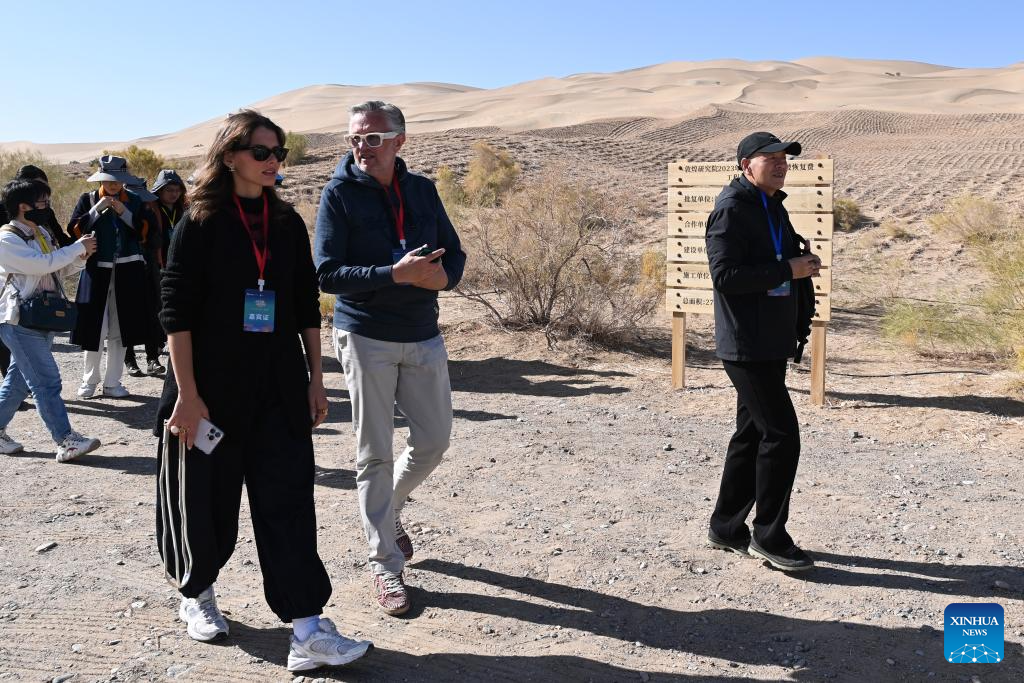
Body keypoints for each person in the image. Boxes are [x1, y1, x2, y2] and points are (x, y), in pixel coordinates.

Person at [155, 109, 371, 671]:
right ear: (230, 157)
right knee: (207, 502)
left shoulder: (287, 223)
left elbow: (304, 304)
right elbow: (175, 311)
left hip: (277, 387)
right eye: (262, 152)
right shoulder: (199, 222)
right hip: (209, 389)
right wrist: (187, 395)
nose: (274, 162)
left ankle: (307, 628)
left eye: (279, 153)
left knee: (289, 502)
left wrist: (315, 381)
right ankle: (195, 591)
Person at [315, 101, 466, 616]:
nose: (362, 147)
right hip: (365, 337)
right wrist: (392, 275)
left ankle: (388, 508)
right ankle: (384, 563)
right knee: (373, 453)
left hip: (423, 332)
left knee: (434, 440)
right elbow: (327, 274)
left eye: (373, 138)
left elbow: (454, 252)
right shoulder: (337, 194)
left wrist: (442, 278)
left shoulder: (421, 190)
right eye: (355, 137)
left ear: (400, 141)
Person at [704, 132, 821, 571]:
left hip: (771, 339)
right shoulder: (732, 209)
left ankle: (726, 527)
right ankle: (769, 535)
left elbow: (780, 264)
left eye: (783, 158)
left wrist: (799, 266)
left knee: (752, 434)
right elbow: (726, 276)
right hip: (746, 343)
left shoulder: (774, 206)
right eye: (768, 158)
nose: (779, 164)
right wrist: (785, 268)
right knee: (781, 435)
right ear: (744, 165)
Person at [0, 179, 101, 461]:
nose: (47, 208)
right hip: (18, 319)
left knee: (18, 383)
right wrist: (74, 247)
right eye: (43, 203)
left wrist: (80, 257)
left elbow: (57, 269)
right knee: (46, 382)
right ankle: (66, 440)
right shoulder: (6, 238)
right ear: (23, 206)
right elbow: (40, 264)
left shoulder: (41, 231)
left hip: (41, 316)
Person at [67, 155, 155, 398]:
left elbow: (147, 232)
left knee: (120, 328)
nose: (114, 185)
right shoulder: (87, 199)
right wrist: (97, 210)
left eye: (118, 180)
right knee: (94, 326)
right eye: (109, 179)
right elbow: (74, 228)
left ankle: (113, 382)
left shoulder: (135, 200)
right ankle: (89, 381)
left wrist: (124, 212)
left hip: (128, 270)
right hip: (97, 270)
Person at [122, 175, 165, 378]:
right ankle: (129, 359)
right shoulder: (114, 211)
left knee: (152, 313)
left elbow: (156, 239)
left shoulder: (149, 210)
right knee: (127, 314)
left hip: (148, 268)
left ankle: (152, 358)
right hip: (124, 270)